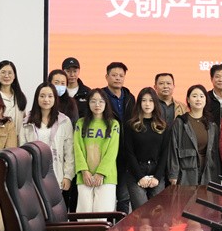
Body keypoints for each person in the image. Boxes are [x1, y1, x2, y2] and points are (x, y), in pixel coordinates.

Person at [20, 83, 75, 195]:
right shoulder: (27, 122)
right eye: (42, 96)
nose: (46, 99)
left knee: (54, 205)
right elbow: (22, 151)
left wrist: (68, 176)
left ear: (55, 98)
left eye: (50, 96)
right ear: (37, 98)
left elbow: (69, 152)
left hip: (56, 172)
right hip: (33, 173)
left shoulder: (64, 121)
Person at [73, 89, 120, 213]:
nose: (97, 105)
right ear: (88, 103)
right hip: (84, 176)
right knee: (84, 214)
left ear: (106, 103)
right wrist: (84, 171)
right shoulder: (80, 123)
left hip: (107, 176)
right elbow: (77, 148)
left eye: (101, 101)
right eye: (93, 101)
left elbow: (112, 151)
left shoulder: (113, 124)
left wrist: (101, 173)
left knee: (102, 214)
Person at [123, 88, 171, 208]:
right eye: (144, 100)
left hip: (156, 171)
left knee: (157, 212)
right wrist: (140, 177)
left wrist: (157, 177)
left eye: (151, 100)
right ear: (139, 103)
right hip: (136, 172)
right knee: (141, 212)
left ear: (155, 103)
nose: (147, 104)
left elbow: (165, 152)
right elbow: (129, 152)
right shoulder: (131, 125)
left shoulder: (162, 126)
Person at [168, 84, 220, 185]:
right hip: (186, 173)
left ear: (206, 100)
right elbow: (173, 149)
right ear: (188, 99)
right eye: (194, 96)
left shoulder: (212, 125)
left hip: (208, 173)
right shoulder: (180, 122)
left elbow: (216, 153)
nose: (198, 99)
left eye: (201, 96)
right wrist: (173, 174)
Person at [102, 62, 135, 212]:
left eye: (121, 75)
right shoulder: (100, 97)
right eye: (114, 75)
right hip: (106, 151)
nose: (118, 78)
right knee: (106, 196)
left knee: (123, 196)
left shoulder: (130, 98)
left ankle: (121, 224)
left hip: (124, 152)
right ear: (106, 77)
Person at [0, 60, 27, 134]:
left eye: (10, 73)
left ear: (14, 76)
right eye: (3, 72)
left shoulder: (20, 96)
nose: (6, 76)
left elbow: (24, 119)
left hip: (17, 138)